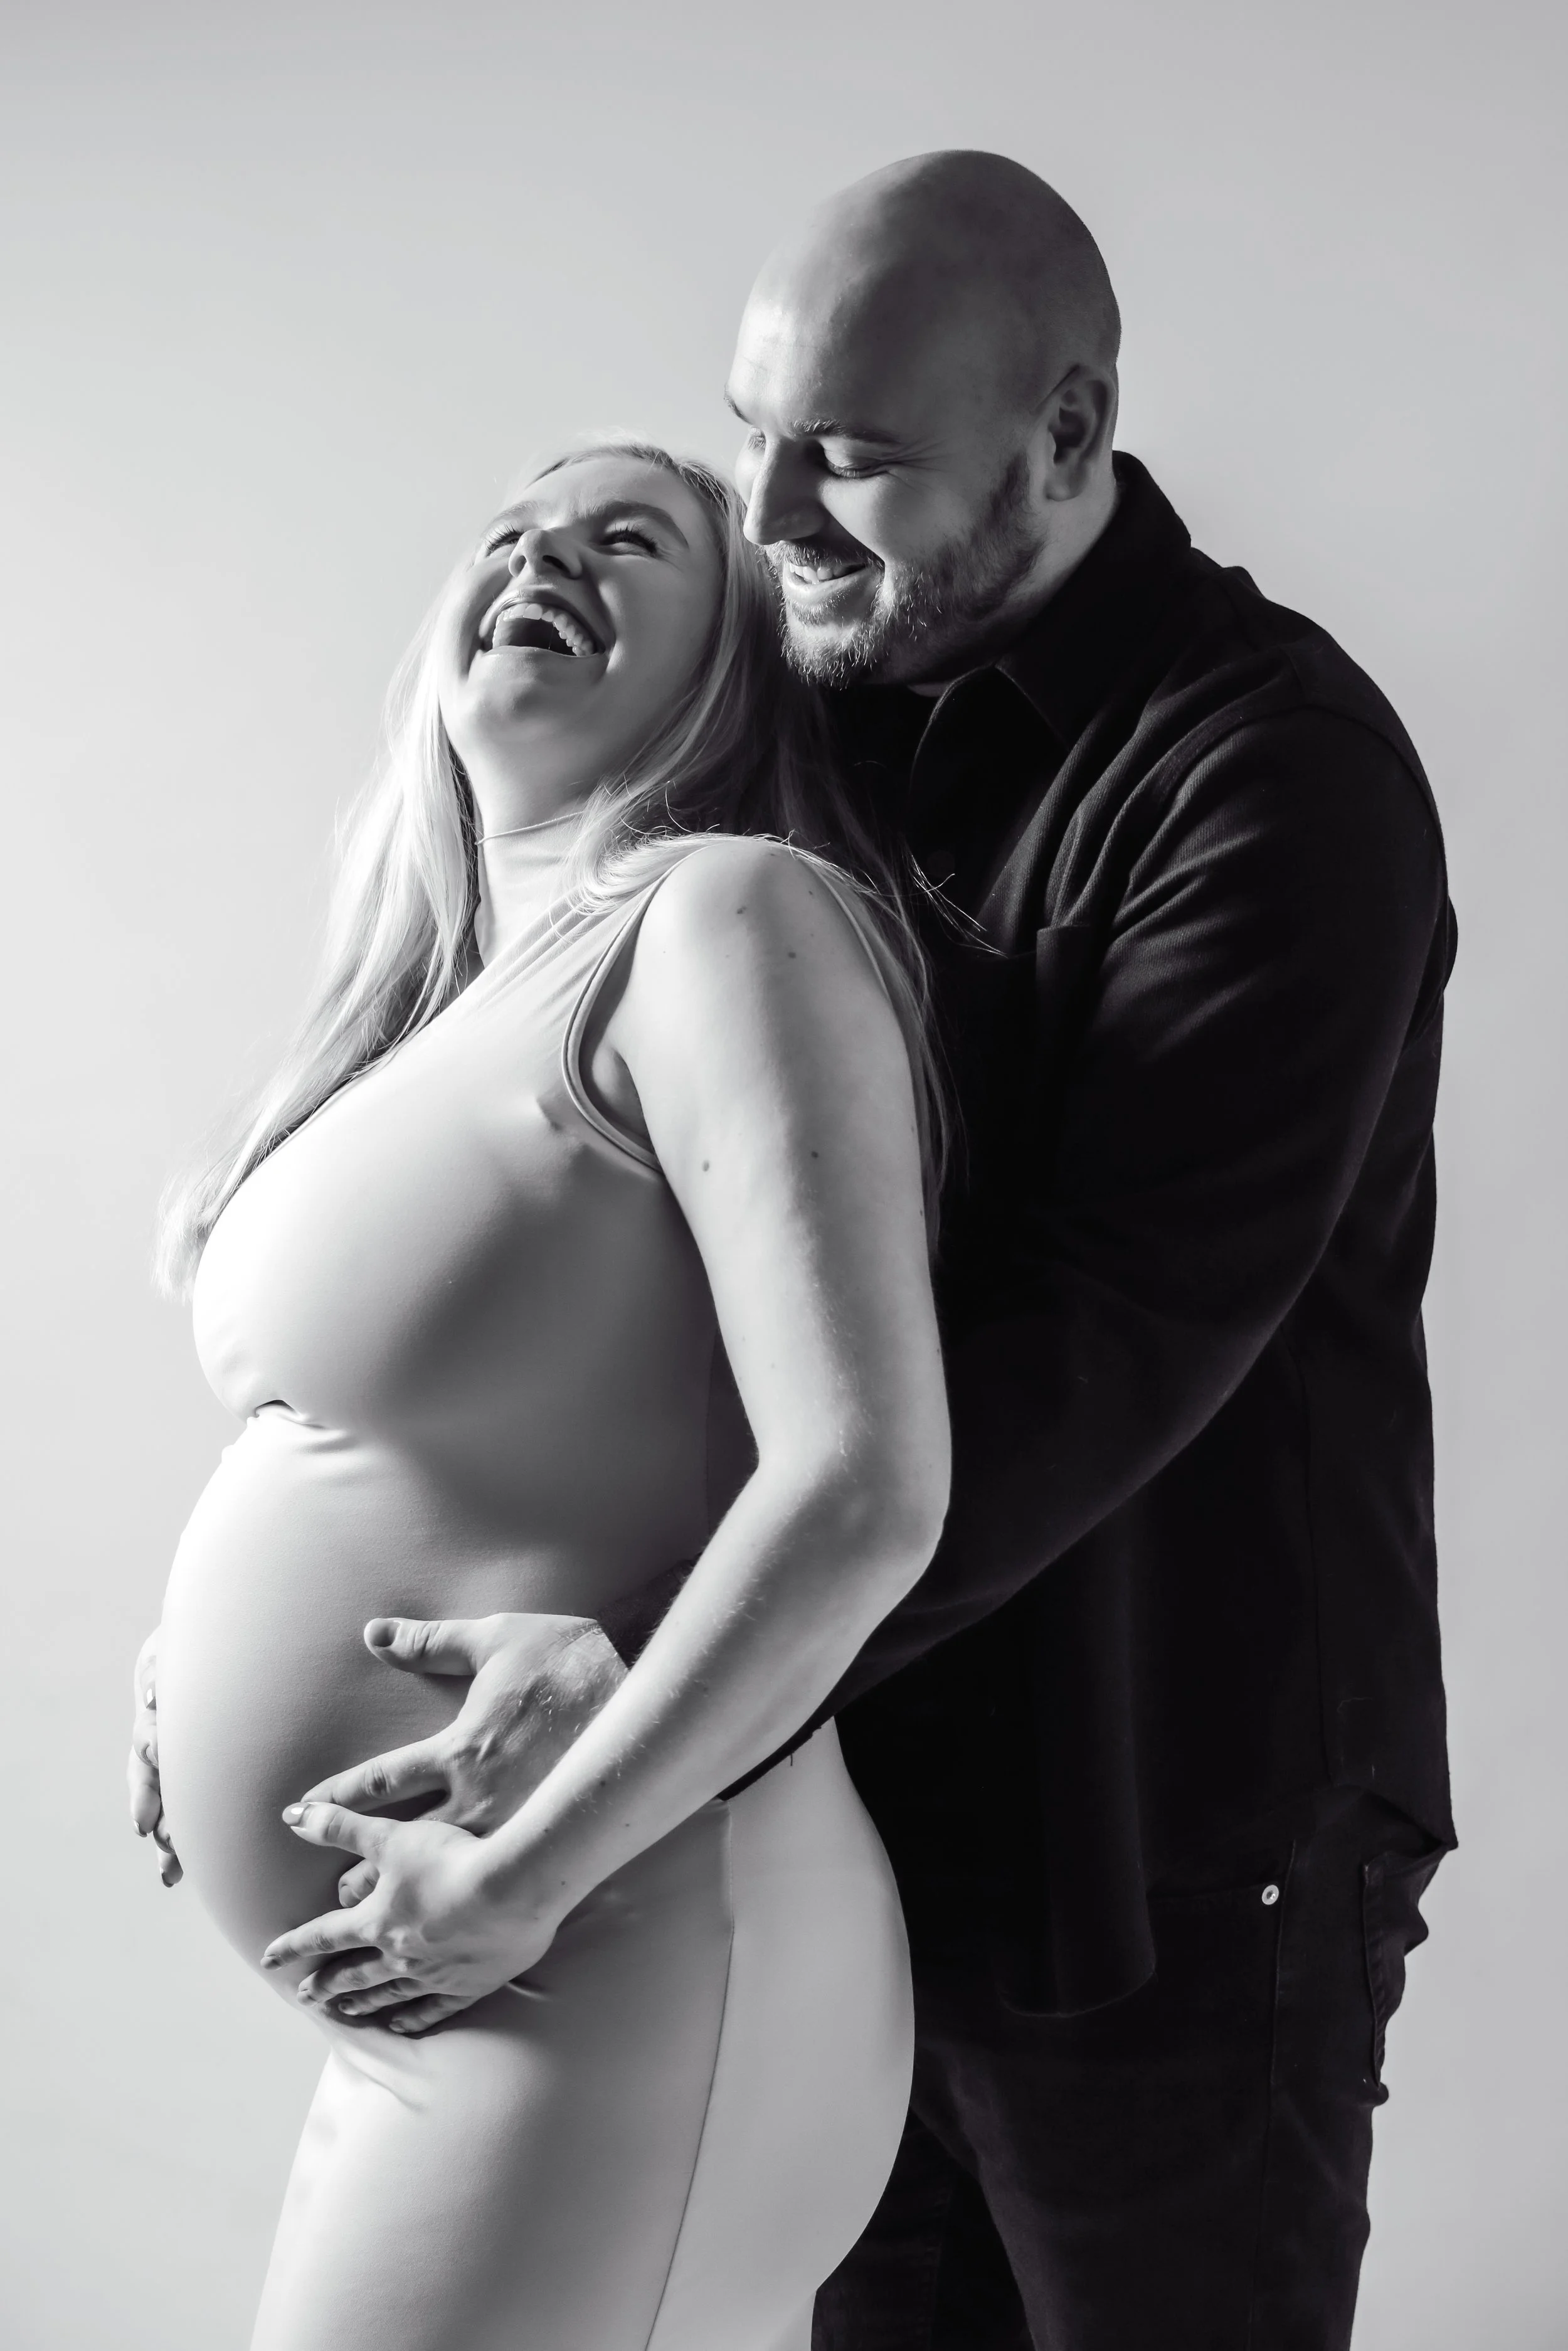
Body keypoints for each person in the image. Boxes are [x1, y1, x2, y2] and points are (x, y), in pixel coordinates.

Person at [134, 151, 1457, 2350]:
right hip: (839, 1792)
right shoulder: (806, 711)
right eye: (749, 433)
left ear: (1063, 437)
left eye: (847, 461)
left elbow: (1100, 1346)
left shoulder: (1269, 781)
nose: (766, 520)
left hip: (1159, 1828)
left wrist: (654, 1686)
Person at [135, 440, 952, 2351]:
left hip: (616, 1943)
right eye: (512, 530)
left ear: (737, 658)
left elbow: (865, 1485)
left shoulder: (721, 916)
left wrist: (527, 1872)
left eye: (627, 539)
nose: (544, 556)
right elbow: (396, 1433)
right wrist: (199, 1650)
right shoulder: (434, 1019)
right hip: (475, 1967)